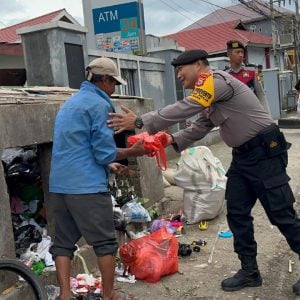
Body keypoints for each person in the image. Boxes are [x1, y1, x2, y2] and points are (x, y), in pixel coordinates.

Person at [107, 49, 300, 295]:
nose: (178, 75)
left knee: (281, 214)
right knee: (238, 212)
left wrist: (141, 121)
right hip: (243, 157)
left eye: (181, 69)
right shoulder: (208, 95)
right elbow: (199, 128)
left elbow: (187, 106)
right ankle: (250, 271)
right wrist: (166, 140)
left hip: (265, 153)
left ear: (199, 64)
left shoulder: (216, 81)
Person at [49, 57, 148, 300]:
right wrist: (132, 152)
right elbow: (102, 151)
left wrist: (111, 165)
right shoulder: (99, 105)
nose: (114, 87)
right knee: (104, 244)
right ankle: (109, 295)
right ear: (103, 79)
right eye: (113, 82)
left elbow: (78, 148)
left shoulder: (69, 104)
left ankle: (64, 296)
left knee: (62, 244)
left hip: (60, 185)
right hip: (86, 188)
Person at [225, 40, 271, 115]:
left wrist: (267, 116)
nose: (241, 55)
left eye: (242, 52)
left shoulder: (253, 70)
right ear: (228, 54)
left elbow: (261, 94)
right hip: (234, 116)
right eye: (237, 52)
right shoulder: (224, 75)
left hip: (252, 114)